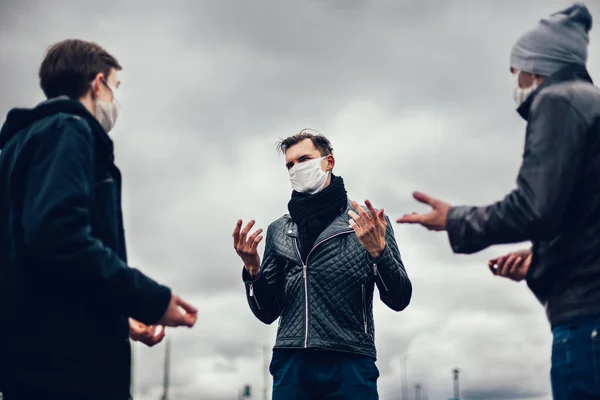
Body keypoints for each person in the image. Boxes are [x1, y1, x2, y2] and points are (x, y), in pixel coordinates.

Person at [397, 3, 599, 399]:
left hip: (585, 315)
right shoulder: (590, 104)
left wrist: (454, 219)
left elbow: (533, 207)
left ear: (538, 67)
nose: (515, 81)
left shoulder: (558, 101)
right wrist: (541, 257)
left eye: (516, 71)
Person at [0, 39, 198, 400]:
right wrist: (151, 299)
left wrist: (116, 317)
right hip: (67, 371)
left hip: (27, 358)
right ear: (97, 83)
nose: (115, 101)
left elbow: (33, 268)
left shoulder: (16, 146)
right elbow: (59, 237)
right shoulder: (69, 130)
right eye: (115, 87)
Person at [233, 130, 412, 400]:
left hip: (350, 360)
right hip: (292, 362)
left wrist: (379, 252)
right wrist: (252, 271)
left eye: (304, 159)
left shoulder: (368, 223)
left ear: (329, 162)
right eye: (290, 165)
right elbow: (267, 312)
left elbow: (399, 298)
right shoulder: (279, 230)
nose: (296, 168)